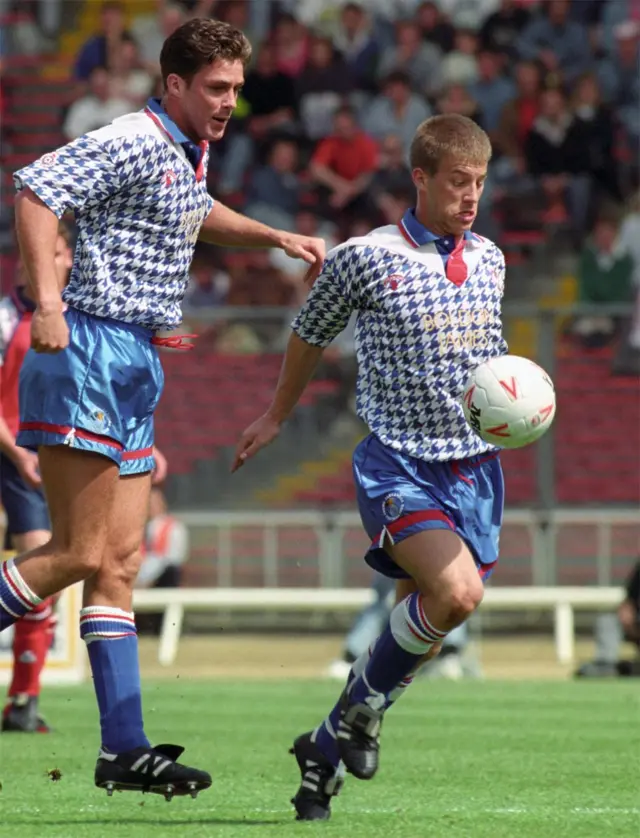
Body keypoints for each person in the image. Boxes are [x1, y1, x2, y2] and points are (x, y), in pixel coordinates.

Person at [3, 18, 325, 799]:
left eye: (237, 90)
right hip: (88, 351)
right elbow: (36, 190)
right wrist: (47, 298)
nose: (229, 103)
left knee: (118, 565)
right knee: (79, 554)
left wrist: (273, 235)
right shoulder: (134, 138)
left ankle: (125, 750)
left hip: (137, 359)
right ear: (174, 84)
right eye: (216, 88)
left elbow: (197, 213)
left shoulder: (186, 152)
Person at [233, 114, 508, 821]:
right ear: (419, 178)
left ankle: (325, 748)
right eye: (456, 181)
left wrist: (517, 404)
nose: (470, 196)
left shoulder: (492, 260)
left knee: (413, 631)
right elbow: (308, 332)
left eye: (479, 182)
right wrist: (276, 415)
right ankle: (358, 714)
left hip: (474, 470)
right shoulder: (367, 257)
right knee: (457, 595)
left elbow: (490, 364)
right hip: (398, 466)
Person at [0, 224, 72, 733]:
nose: (49, 259)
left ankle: (23, 701)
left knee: (41, 578)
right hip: (13, 451)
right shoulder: (4, 318)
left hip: (35, 457)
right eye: (40, 251)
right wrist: (18, 452)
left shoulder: (82, 318)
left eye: (59, 251)